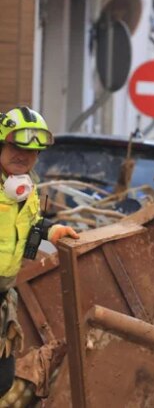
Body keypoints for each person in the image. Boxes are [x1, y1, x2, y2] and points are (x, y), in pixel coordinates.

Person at [0, 107, 78, 396]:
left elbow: (31, 221)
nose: (23, 156)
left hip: (3, 293)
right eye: (16, 147)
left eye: (32, 152)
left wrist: (52, 231)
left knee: (3, 380)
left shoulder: (26, 189)